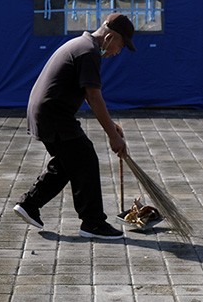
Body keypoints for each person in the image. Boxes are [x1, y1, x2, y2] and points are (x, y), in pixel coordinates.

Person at [13, 12, 136, 239]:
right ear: (109, 38)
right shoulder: (88, 52)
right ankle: (93, 223)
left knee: (68, 162)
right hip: (53, 114)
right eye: (120, 46)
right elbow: (94, 96)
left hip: (44, 112)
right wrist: (113, 135)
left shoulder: (82, 45)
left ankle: (29, 204)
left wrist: (111, 125)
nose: (118, 52)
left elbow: (90, 95)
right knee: (85, 158)